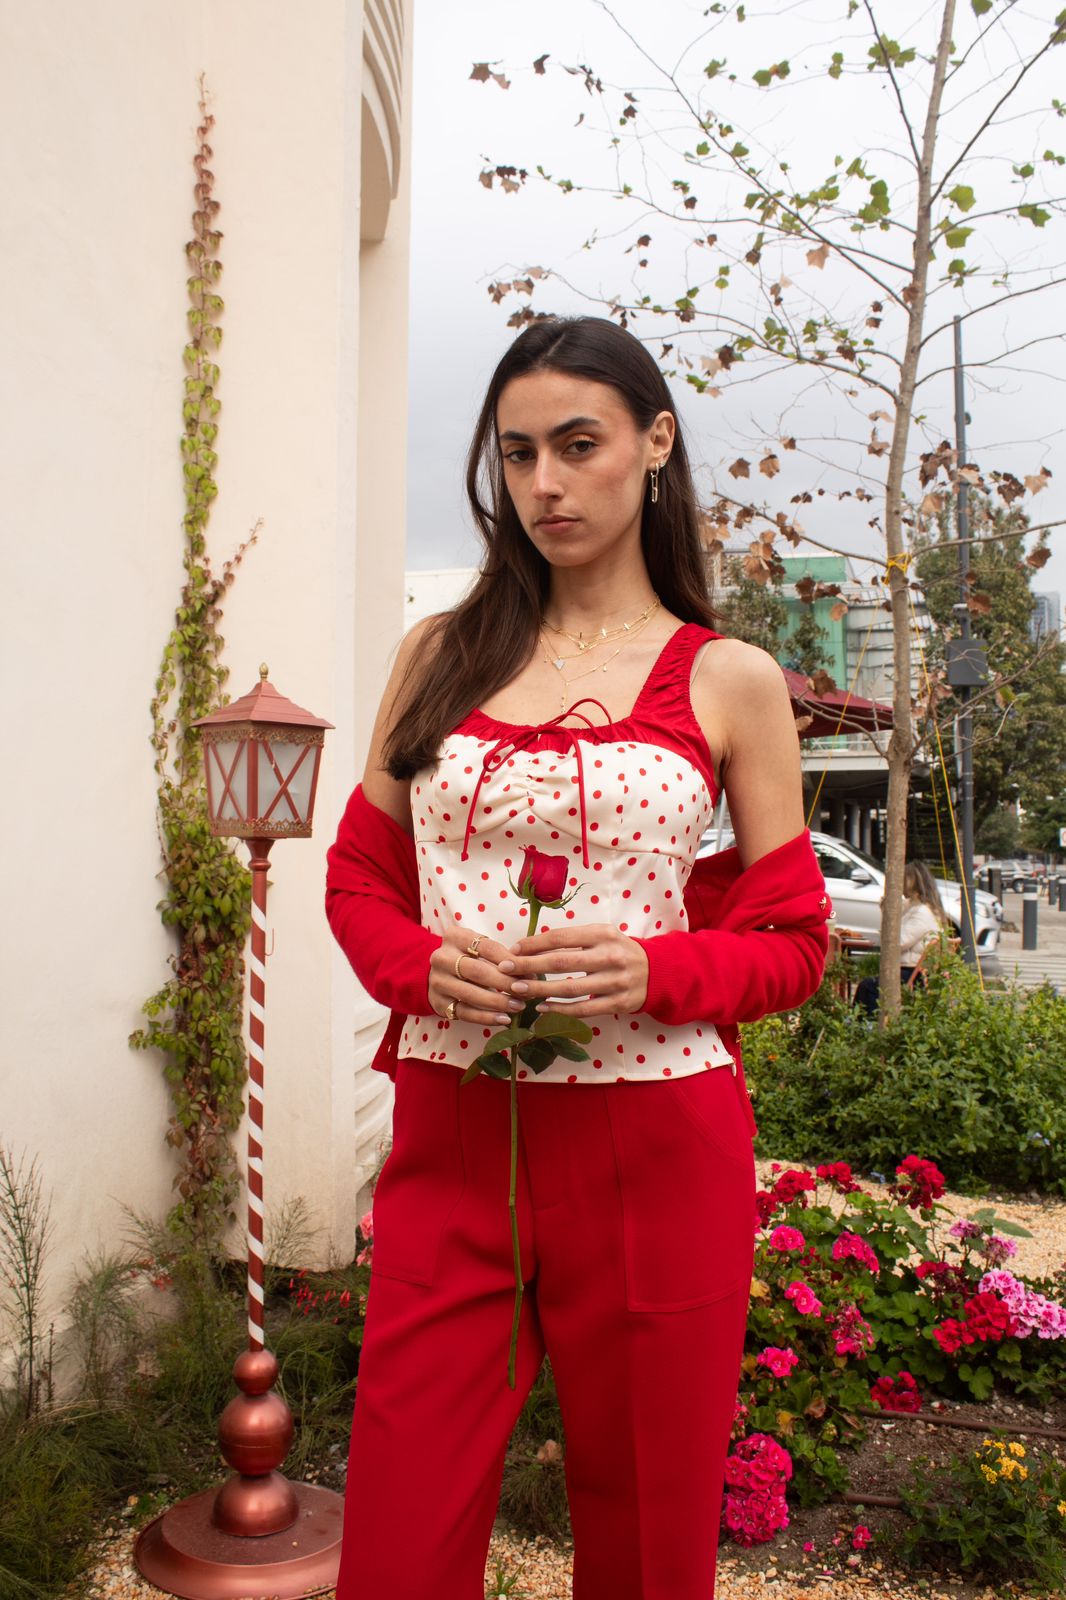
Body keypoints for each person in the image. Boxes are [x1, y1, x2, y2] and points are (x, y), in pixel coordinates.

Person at [324, 315, 831, 1600]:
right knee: (399, 1527)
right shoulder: (437, 655)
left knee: (651, 1538)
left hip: (658, 1147)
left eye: (577, 445)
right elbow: (358, 878)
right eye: (515, 454)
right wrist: (418, 965)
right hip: (455, 1135)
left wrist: (655, 971)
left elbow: (791, 942)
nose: (542, 483)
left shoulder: (729, 678)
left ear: (655, 445)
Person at [853, 860, 949, 1016]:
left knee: (868, 986)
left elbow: (897, 944)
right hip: (911, 970)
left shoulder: (922, 912)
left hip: (913, 974)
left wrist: (887, 915)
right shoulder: (915, 906)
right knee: (868, 985)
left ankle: (866, 1026)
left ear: (913, 882)